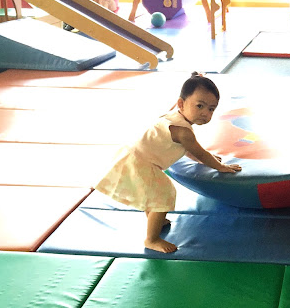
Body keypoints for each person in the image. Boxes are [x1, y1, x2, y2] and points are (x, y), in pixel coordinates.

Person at [95, 72, 242, 253]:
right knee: (163, 195)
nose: (206, 113)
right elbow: (200, 153)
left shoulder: (175, 116)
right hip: (142, 163)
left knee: (152, 195)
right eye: (200, 106)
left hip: (133, 157)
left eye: (211, 109)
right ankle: (152, 239)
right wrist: (220, 167)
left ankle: (155, 219)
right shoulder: (183, 132)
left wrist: (205, 158)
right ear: (181, 103)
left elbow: (189, 150)